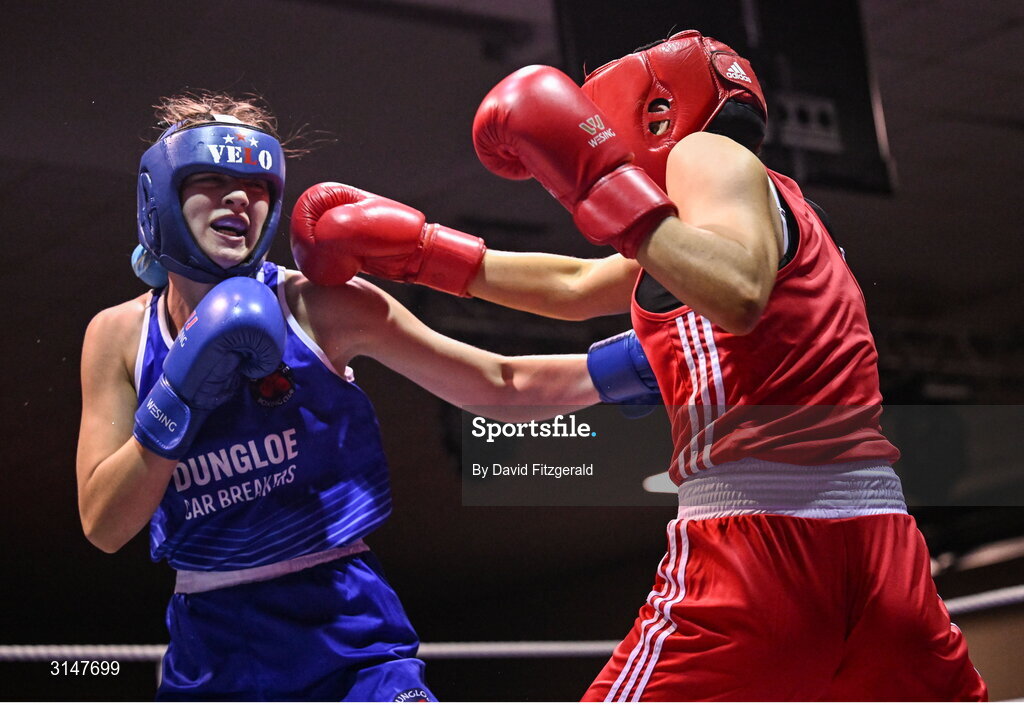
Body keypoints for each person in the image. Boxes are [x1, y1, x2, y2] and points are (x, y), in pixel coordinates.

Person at [301, 30, 988, 701]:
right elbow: (574, 285)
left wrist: (602, 183)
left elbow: (740, 293)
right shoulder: (770, 214)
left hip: (759, 546)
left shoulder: (704, 155)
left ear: (658, 109)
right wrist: (421, 252)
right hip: (882, 548)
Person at [75, 91, 654, 701]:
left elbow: (497, 382)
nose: (239, 198)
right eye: (213, 179)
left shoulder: (320, 307)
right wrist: (180, 396)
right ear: (161, 195)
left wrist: (642, 363)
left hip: (348, 628)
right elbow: (105, 526)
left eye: (256, 184)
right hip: (214, 648)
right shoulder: (119, 337)